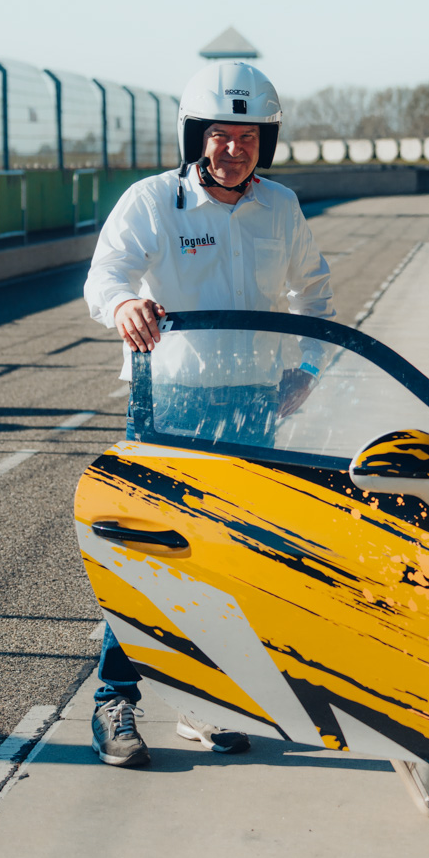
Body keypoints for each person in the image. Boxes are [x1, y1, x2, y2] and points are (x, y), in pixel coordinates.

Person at [83, 60, 335, 768]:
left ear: (266, 142)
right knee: (149, 555)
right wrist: (123, 305)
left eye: (248, 137)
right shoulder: (151, 202)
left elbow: (315, 294)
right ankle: (114, 699)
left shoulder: (280, 207)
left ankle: (205, 701)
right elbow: (104, 277)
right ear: (196, 136)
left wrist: (309, 369)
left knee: (227, 560)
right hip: (168, 403)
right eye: (221, 135)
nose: (233, 149)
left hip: (253, 406)